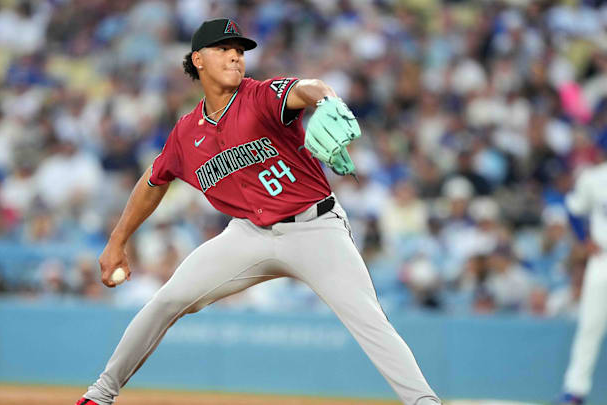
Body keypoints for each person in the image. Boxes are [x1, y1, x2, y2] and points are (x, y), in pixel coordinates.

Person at [77, 19, 440, 405]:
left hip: (314, 228)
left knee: (369, 321)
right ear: (197, 59)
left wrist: (328, 100)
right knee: (167, 300)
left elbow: (308, 88)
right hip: (248, 234)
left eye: (240, 49)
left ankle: (423, 402)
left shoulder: (260, 96)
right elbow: (154, 181)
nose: (235, 54)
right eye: (223, 48)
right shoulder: (186, 132)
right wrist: (117, 241)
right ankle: (100, 394)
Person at [556, 158, 607, 405]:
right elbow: (573, 208)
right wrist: (584, 239)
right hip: (603, 259)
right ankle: (575, 391)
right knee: (590, 326)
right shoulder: (595, 177)